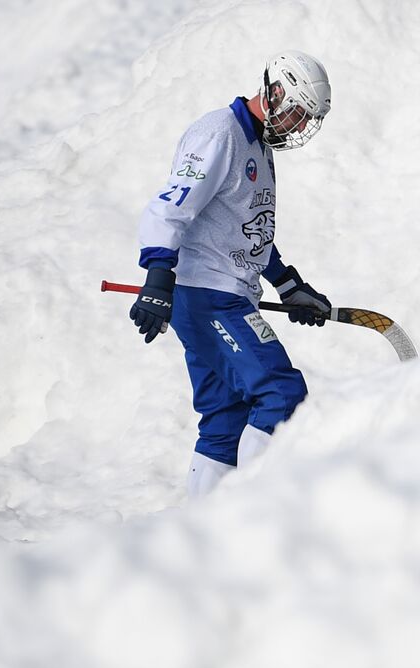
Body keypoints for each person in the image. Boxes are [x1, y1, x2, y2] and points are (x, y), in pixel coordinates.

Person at [128, 51, 334, 497]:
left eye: (306, 120)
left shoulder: (259, 144)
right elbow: (169, 208)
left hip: (229, 293)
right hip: (207, 295)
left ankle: (200, 534)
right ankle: (253, 516)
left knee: (225, 418)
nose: (299, 127)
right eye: (297, 112)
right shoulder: (219, 134)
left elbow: (247, 227)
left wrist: (288, 283)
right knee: (280, 393)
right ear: (274, 91)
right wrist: (157, 279)